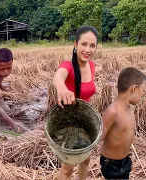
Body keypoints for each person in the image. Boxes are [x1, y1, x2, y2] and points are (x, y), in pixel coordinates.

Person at [52, 26, 98, 180]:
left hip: (84, 121)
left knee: (85, 159)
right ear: (75, 44)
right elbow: (58, 76)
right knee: (67, 169)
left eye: (92, 46)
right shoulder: (68, 65)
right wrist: (62, 88)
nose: (88, 49)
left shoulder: (91, 65)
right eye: (84, 44)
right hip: (68, 123)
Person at [100, 67, 146, 179]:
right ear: (134, 89)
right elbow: (99, 136)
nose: (142, 96)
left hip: (125, 161)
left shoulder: (130, 109)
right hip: (112, 164)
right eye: (142, 91)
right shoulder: (113, 111)